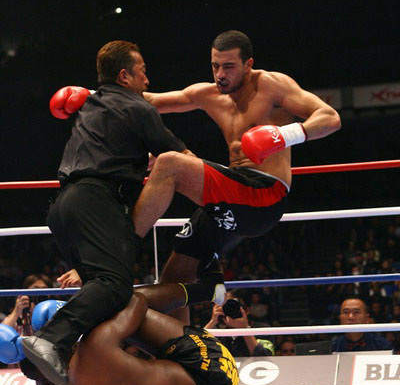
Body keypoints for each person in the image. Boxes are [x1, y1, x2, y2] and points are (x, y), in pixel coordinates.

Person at [51, 30, 341, 324]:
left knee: (170, 164)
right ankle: (186, 352)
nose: (220, 74)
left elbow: (329, 117)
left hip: (264, 194)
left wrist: (283, 135)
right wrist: (89, 94)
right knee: (175, 277)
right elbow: (146, 100)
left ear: (248, 64)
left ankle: (113, 251)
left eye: (228, 66)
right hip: (229, 199)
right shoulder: (208, 94)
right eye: (215, 66)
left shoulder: (272, 85)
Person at [22, 40, 217, 385]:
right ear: (125, 75)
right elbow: (186, 161)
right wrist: (228, 183)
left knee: (105, 296)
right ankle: (50, 339)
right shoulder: (137, 108)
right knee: (113, 286)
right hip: (98, 202)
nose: (147, 75)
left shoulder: (89, 105)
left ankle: (57, 368)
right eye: (141, 68)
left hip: (64, 206)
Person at [18, 281, 325, 385]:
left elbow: (53, 380)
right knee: (127, 301)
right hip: (215, 367)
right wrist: (95, 303)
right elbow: (135, 301)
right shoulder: (95, 350)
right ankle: (204, 288)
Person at [204, 292, 275, 356]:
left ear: (246, 310)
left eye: (233, 305)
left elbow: (265, 358)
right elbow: (196, 349)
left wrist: (245, 329)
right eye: (226, 306)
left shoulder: (262, 329)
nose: (230, 309)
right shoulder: (217, 333)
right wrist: (212, 322)